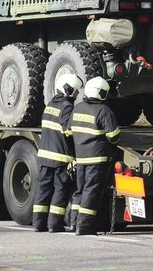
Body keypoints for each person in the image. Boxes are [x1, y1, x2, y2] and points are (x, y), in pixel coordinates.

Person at [68, 76, 121, 236]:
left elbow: (69, 132)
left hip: (81, 158)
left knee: (80, 190)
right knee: (91, 191)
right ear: (102, 93)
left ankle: (73, 223)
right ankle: (84, 227)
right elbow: (113, 136)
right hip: (96, 159)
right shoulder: (103, 110)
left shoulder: (77, 108)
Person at [32, 73, 82, 233]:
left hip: (45, 156)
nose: (77, 94)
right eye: (75, 91)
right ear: (68, 89)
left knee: (43, 190)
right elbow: (68, 131)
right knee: (60, 190)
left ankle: (38, 224)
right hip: (60, 158)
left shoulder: (50, 105)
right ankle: (54, 224)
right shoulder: (67, 107)